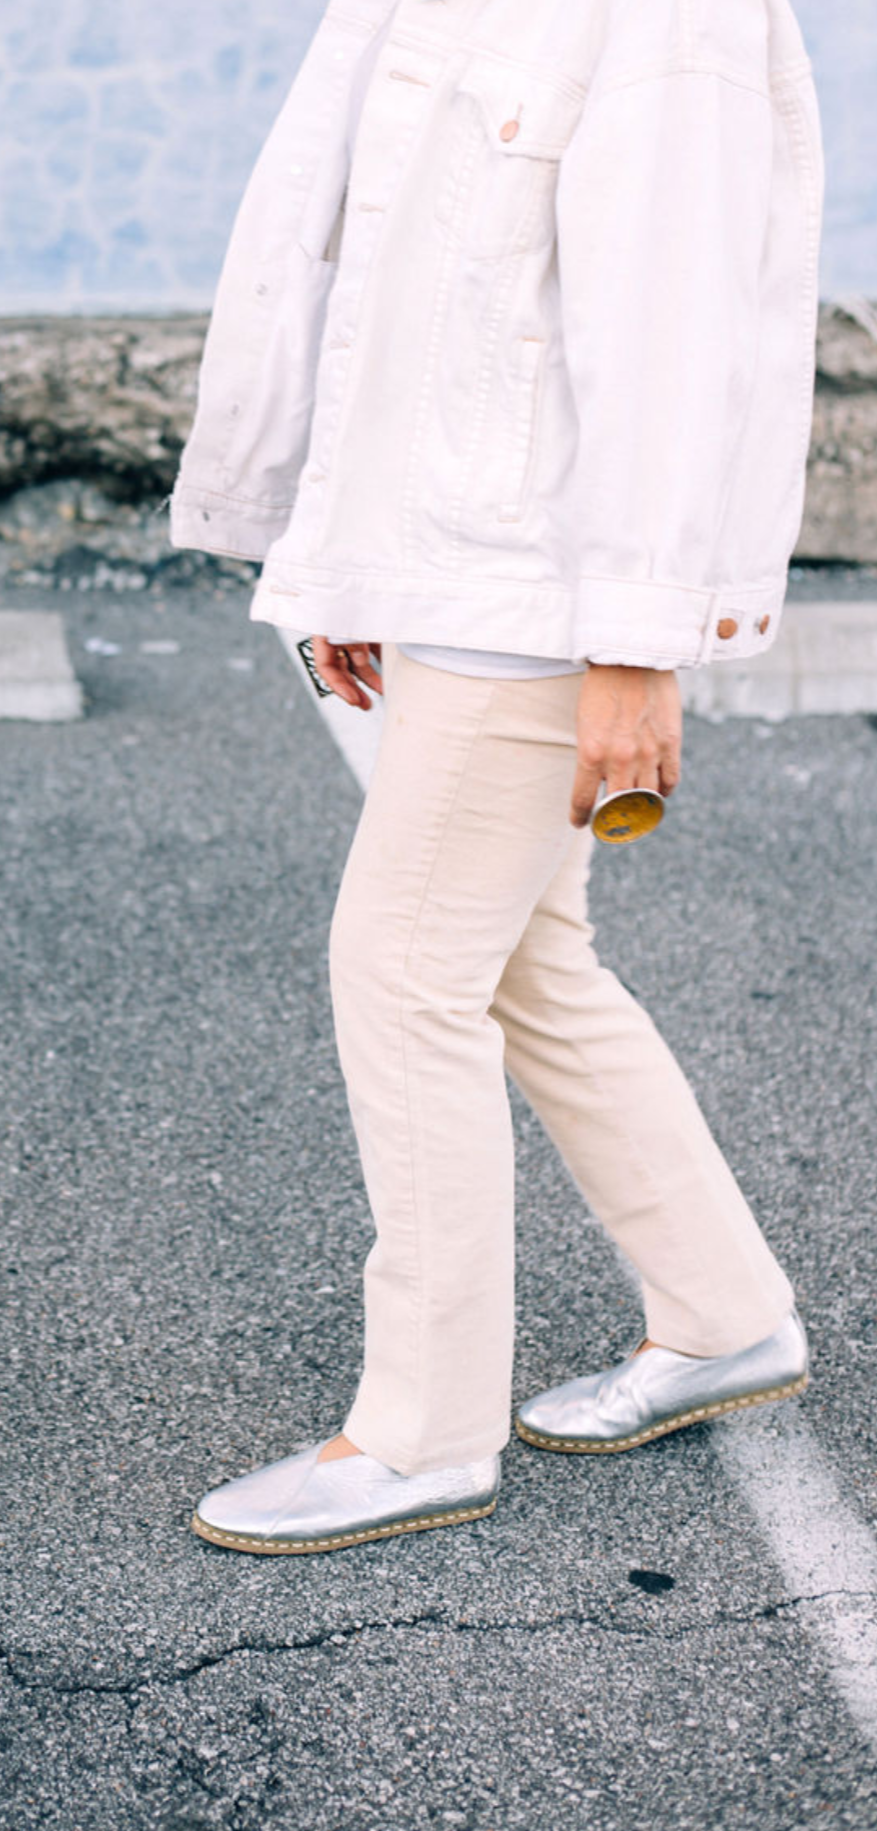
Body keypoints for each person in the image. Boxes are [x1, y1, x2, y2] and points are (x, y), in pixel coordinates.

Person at [169, 0, 824, 1554]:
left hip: (544, 592)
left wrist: (634, 644)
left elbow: (669, 333)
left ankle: (418, 1429)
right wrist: (338, 560)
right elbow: (381, 282)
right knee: (533, 961)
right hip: (455, 570)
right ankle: (725, 1312)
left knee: (401, 968)